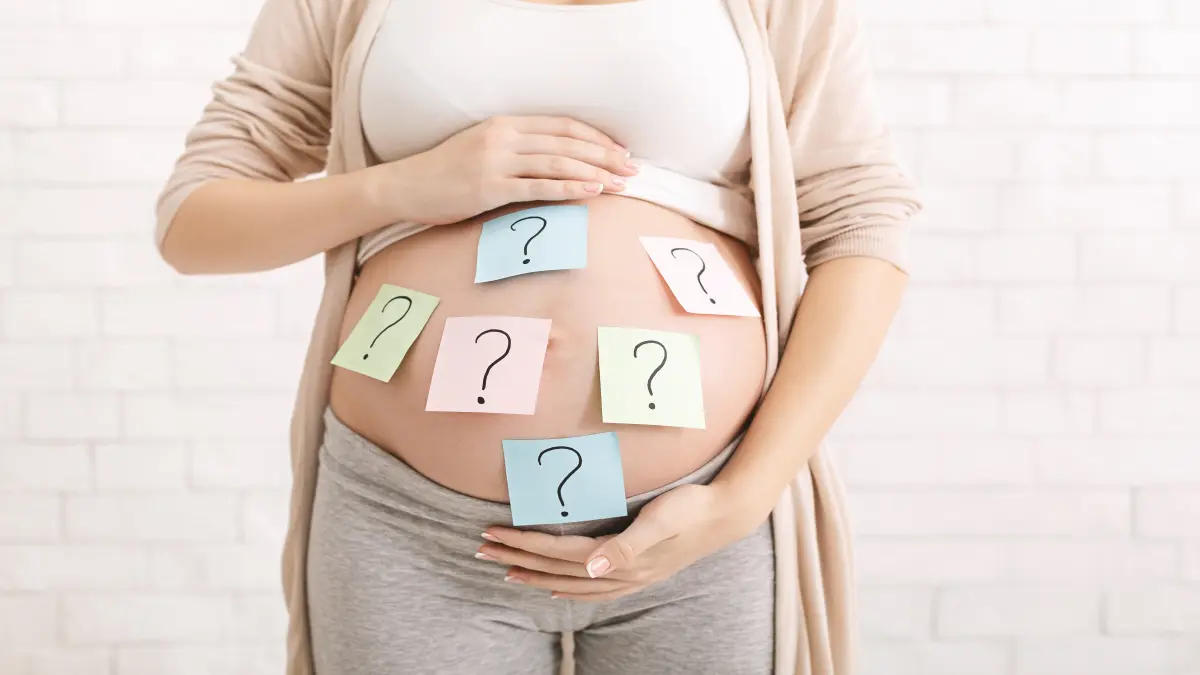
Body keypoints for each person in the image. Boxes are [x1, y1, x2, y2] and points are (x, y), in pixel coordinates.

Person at [155, 0, 920, 673]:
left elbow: (860, 223)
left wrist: (742, 497)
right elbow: (194, 221)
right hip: (407, 526)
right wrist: (403, 186)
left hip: (699, 518)